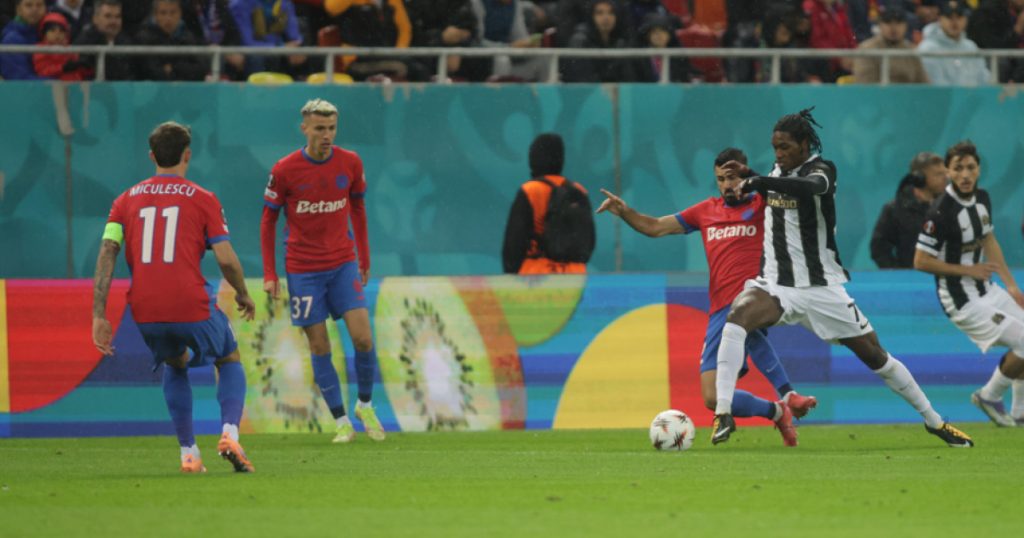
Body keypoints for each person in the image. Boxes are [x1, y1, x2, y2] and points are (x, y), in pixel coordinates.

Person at [710, 108, 974, 448]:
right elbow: (776, 184)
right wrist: (753, 174)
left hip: (821, 289)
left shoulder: (822, 171)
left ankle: (935, 422)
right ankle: (723, 412)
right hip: (777, 285)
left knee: (876, 356)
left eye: (785, 147)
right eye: (775, 147)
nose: (779, 154)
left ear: (804, 145)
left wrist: (760, 181)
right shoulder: (776, 172)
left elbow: (809, 188)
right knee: (737, 317)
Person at [596, 147, 819, 447]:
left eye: (732, 177)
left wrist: (757, 181)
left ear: (744, 174)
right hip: (719, 309)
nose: (727, 185)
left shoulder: (764, 204)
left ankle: (788, 393)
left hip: (757, 296)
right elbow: (655, 227)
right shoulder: (705, 211)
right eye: (721, 180)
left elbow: (795, 199)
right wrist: (624, 212)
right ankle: (778, 411)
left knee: (747, 322)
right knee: (712, 398)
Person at [91, 122, 257, 473]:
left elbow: (107, 251)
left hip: (145, 308)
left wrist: (98, 314)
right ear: (188, 155)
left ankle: (189, 454)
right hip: (189, 302)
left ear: (152, 156)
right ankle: (230, 434)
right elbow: (226, 259)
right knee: (229, 356)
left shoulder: (123, 201)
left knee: (175, 362)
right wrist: (243, 293)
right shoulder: (204, 198)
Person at [261, 99, 386, 444]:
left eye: (331, 128)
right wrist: (270, 273)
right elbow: (268, 220)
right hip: (303, 270)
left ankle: (364, 405)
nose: (327, 135)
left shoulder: (351, 162)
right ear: (304, 129)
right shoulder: (285, 169)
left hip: (343, 263)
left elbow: (358, 208)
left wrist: (364, 257)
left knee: (363, 338)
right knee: (319, 346)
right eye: (319, 128)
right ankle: (342, 421)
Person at [914, 141, 1024, 427]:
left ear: (979, 170)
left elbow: (989, 240)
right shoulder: (940, 211)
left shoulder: (983, 198)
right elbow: (920, 261)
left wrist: (1012, 286)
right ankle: (989, 396)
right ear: (948, 172)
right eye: (958, 168)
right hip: (960, 300)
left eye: (970, 168)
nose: (965, 174)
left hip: (987, 289)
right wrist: (967, 269)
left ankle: (1020, 412)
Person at [501, 133, 595, 275]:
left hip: (536, 276)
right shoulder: (579, 191)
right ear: (561, 159)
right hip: (574, 276)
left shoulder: (530, 190)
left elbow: (513, 245)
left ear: (533, 159)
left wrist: (512, 275)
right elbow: (589, 242)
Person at [870, 152, 948, 268]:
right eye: (938, 174)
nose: (945, 178)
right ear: (919, 178)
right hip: (911, 277)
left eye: (945, 173)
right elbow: (879, 250)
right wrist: (899, 274)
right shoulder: (894, 209)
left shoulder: (951, 206)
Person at [917, 0, 990, 86]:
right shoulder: (928, 49)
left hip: (972, 94)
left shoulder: (971, 47)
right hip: (943, 95)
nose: (955, 22)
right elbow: (935, 87)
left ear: (966, 19)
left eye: (959, 17)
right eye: (949, 17)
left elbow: (985, 80)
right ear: (939, 19)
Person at [135, 0, 209, 81]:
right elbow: (150, 71)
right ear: (155, 15)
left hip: (183, 87)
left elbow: (201, 70)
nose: (168, 18)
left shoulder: (188, 37)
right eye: (163, 13)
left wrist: (174, 67)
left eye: (173, 12)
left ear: (180, 14)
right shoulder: (144, 38)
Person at [852, 7, 928, 83]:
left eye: (898, 23)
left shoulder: (911, 50)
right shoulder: (867, 49)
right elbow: (865, 84)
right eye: (888, 22)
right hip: (880, 90)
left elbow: (923, 82)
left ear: (906, 26)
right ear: (880, 25)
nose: (893, 28)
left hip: (908, 90)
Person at [73, 0, 136, 81]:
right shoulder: (85, 43)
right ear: (95, 19)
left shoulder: (126, 42)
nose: (113, 21)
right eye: (108, 16)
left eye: (118, 17)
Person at [33, 11, 90, 80]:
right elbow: (42, 71)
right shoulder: (40, 49)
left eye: (61, 31)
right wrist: (63, 68)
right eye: (52, 30)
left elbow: (80, 72)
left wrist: (86, 68)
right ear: (44, 33)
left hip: (77, 84)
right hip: (53, 85)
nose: (57, 34)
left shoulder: (70, 49)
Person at [1, 0, 46, 80]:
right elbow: (19, 79)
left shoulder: (48, 33)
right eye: (28, 5)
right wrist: (57, 82)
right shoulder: (12, 40)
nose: (35, 10)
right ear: (18, 10)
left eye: (39, 5)